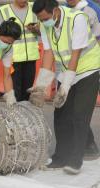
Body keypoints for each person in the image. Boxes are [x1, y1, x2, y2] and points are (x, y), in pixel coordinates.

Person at [29, 0, 100, 174]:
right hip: (65, 72)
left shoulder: (78, 19)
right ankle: (60, 157)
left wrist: (65, 87)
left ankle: (75, 160)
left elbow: (75, 54)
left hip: (87, 71)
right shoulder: (46, 24)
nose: (44, 22)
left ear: (55, 11)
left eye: (45, 18)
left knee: (79, 116)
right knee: (61, 116)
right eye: (41, 20)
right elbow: (48, 53)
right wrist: (41, 87)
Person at [66, 0, 100, 160]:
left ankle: (88, 145)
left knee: (81, 110)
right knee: (73, 109)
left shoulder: (93, 9)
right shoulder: (63, 10)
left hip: (90, 66)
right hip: (71, 67)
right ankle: (85, 143)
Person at [0, 0, 41, 102]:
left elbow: (43, 31)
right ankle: (15, 114)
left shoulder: (35, 8)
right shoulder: (4, 10)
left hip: (31, 56)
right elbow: (1, 34)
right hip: (13, 57)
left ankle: (25, 114)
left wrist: (35, 29)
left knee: (27, 92)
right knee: (15, 91)